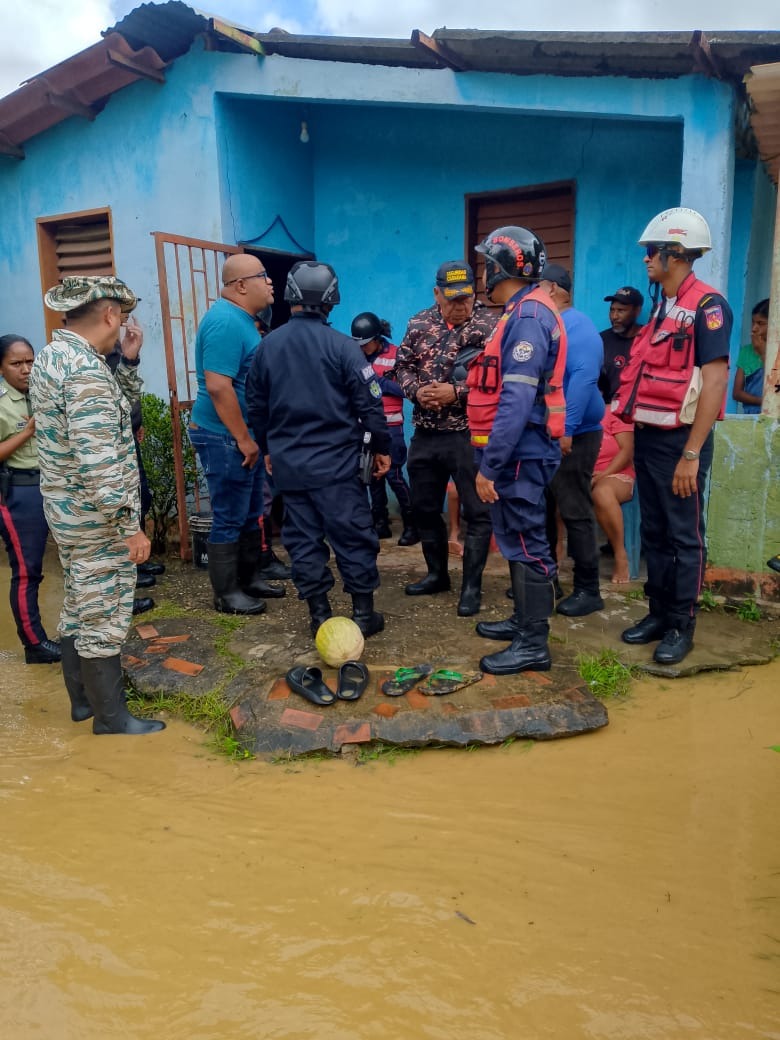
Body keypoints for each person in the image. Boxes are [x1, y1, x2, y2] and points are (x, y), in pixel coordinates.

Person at [29, 275, 165, 734]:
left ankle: (84, 703)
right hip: (95, 516)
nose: (121, 324)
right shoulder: (85, 370)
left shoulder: (54, 356)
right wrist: (129, 524)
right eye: (121, 318)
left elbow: (114, 408)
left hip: (67, 510)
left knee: (79, 604)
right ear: (110, 315)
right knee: (104, 610)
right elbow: (100, 458)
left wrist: (126, 360)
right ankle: (112, 719)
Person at [246, 261, 391, 637]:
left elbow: (256, 408)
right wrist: (382, 449)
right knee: (353, 536)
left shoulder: (267, 348)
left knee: (302, 541)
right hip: (340, 468)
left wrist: (266, 449)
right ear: (331, 301)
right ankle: (362, 615)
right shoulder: (344, 348)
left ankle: (319, 615)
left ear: (292, 296)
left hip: (291, 469)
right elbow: (371, 406)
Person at [613, 207, 732, 665]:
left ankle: (683, 625)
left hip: (682, 442)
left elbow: (715, 382)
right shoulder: (663, 304)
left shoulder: (709, 306)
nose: (646, 260)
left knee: (685, 536)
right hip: (649, 437)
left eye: (652, 252)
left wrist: (691, 453)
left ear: (676, 253)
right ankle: (659, 614)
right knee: (656, 530)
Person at [467, 225, 567, 675]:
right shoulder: (523, 310)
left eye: (489, 262)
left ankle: (533, 644)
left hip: (520, 451)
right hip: (522, 449)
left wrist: (491, 464)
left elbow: (517, 398)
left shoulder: (528, 316)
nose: (484, 270)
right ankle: (523, 622)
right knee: (516, 538)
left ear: (503, 268)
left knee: (527, 541)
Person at [394, 261, 497, 616]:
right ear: (437, 293)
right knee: (423, 508)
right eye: (452, 299)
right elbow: (401, 367)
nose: (460, 305)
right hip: (425, 434)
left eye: (466, 298)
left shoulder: (492, 326)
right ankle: (437, 575)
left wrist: (457, 392)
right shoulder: (418, 323)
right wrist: (416, 391)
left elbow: (499, 379)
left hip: (468, 435)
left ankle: (472, 588)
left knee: (478, 513)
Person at [188, 253, 284, 615]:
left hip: (243, 436)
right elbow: (218, 386)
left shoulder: (244, 321)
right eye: (263, 276)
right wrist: (244, 438)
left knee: (249, 513)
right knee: (229, 514)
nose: (271, 282)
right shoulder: (225, 322)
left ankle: (250, 578)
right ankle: (226, 594)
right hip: (224, 436)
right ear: (241, 285)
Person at [538, 264, 606, 617]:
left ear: (553, 289)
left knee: (575, 510)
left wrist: (566, 428)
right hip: (551, 433)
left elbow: (583, 379)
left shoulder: (577, 326)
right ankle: (546, 579)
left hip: (575, 435)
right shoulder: (553, 324)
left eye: (539, 289)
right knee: (545, 507)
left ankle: (588, 589)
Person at [0, 334, 61, 664]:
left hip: (51, 484)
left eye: (30, 361)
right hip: (18, 492)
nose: (26, 369)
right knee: (28, 570)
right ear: (1, 367)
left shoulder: (42, 392)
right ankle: (34, 644)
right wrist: (26, 432)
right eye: (16, 363)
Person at [350, 311, 419, 546]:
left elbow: (405, 389)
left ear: (378, 338)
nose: (363, 348)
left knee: (394, 475)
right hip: (365, 427)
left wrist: (377, 383)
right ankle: (380, 523)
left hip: (391, 427)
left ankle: (412, 524)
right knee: (371, 474)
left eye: (366, 343)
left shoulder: (396, 354)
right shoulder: (355, 356)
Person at [105, 319, 157, 616]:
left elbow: (125, 395)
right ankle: (126, 584)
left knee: (141, 497)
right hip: (109, 447)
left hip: (127, 437)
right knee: (121, 508)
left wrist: (137, 423)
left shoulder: (116, 343)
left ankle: (137, 563)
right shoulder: (91, 354)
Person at [591, 410, 635, 584]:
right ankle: (556, 555)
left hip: (615, 473)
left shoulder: (615, 412)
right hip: (582, 472)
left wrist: (602, 475)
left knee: (602, 493)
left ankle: (620, 554)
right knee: (560, 491)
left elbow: (626, 451)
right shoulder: (573, 409)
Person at [599, 286, 644, 403]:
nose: (614, 316)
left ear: (637, 311)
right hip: (607, 413)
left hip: (637, 414)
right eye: (612, 310)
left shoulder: (648, 340)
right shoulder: (601, 340)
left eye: (621, 311)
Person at [732, 298, 769, 414]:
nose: (754, 328)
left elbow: (774, 383)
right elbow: (737, 393)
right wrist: (763, 401)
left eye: (761, 323)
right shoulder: (746, 352)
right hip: (751, 420)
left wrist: (762, 352)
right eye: (753, 322)